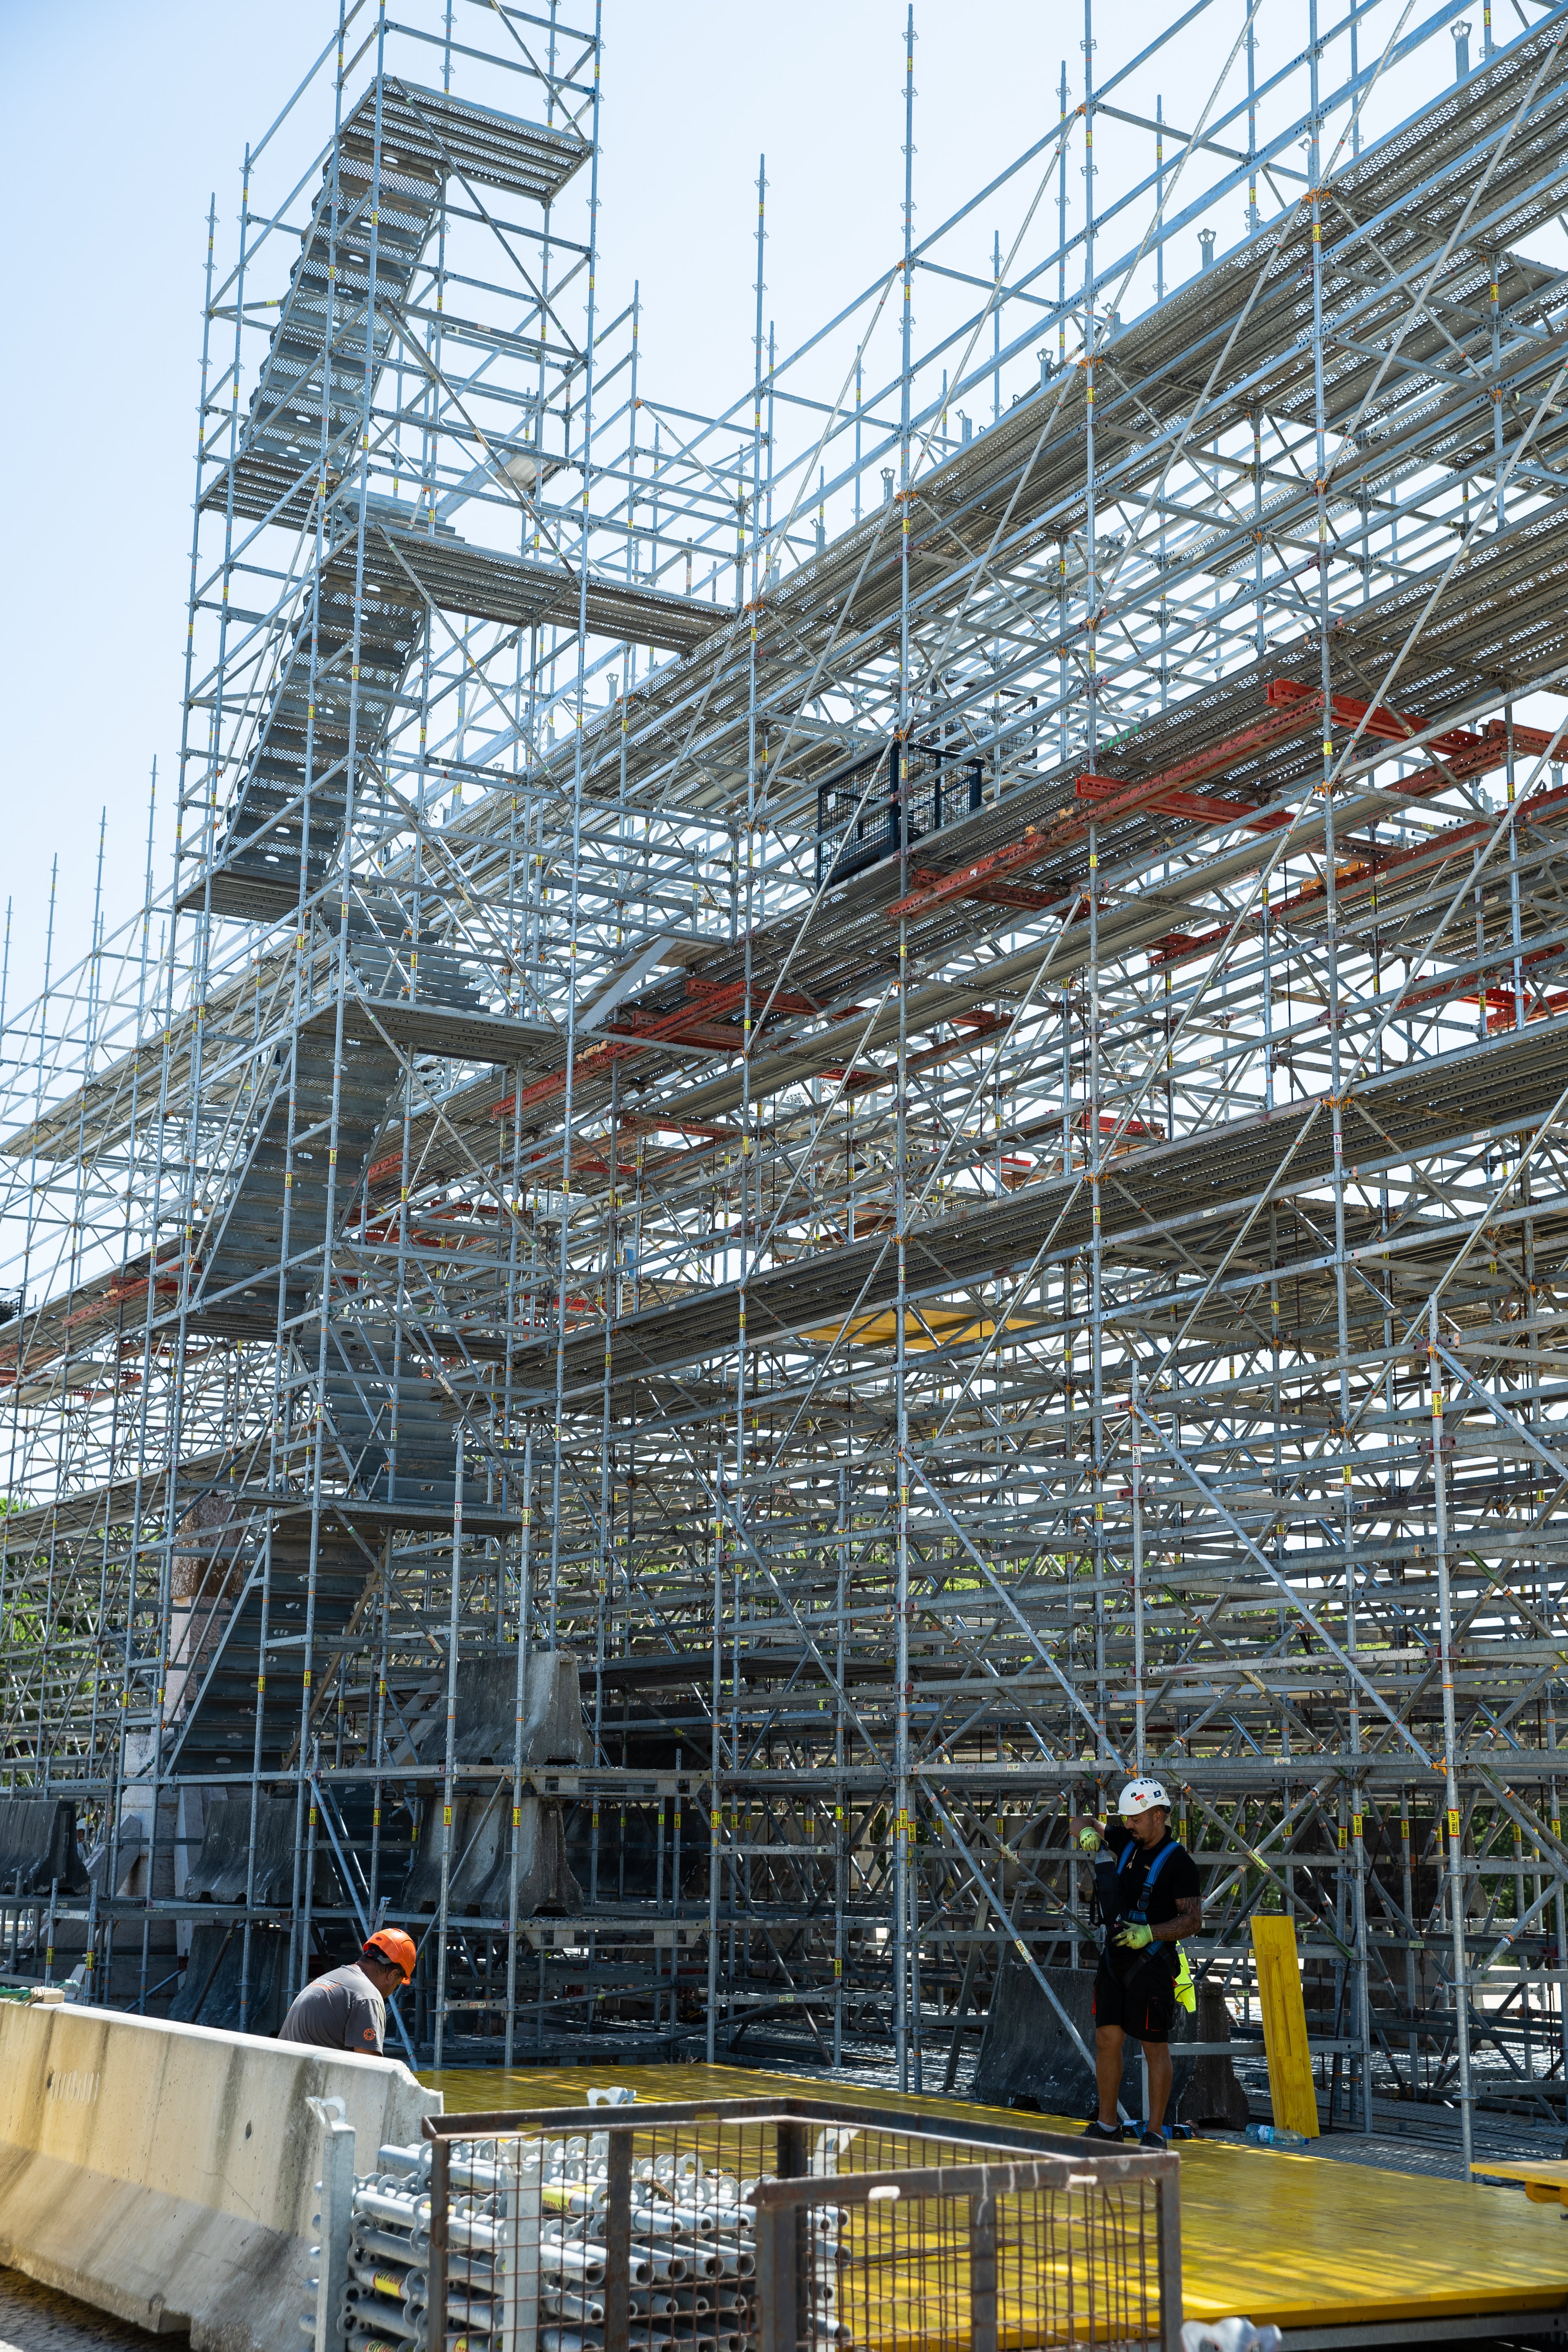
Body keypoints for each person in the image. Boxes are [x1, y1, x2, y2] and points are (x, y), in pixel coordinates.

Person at [1069, 1779, 1201, 2149]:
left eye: (1136, 1818)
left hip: (1152, 1962)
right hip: (1115, 1958)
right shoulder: (1126, 1842)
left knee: (1153, 2046)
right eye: (1125, 1818)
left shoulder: (1179, 1863)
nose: (1128, 1824)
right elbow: (1078, 1821)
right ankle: (1107, 2125)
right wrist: (1087, 1835)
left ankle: (1155, 2132)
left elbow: (1192, 1921)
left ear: (1158, 1816)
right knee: (1106, 2038)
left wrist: (1150, 1933)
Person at [277, 1928, 416, 2053]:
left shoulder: (334, 1978)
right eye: (398, 1983)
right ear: (392, 1975)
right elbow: (370, 2070)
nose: (394, 1990)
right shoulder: (367, 1997)